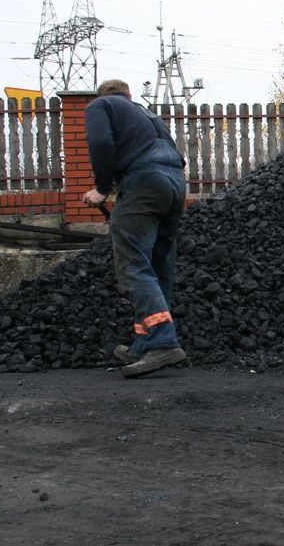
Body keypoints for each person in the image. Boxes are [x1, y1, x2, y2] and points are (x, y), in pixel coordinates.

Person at [82, 80, 188, 378]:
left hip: (145, 181)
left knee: (133, 264)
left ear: (104, 96)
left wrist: (102, 189)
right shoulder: (148, 115)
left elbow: (101, 143)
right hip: (175, 185)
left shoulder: (101, 105)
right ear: (128, 96)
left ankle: (162, 342)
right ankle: (145, 343)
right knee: (158, 265)